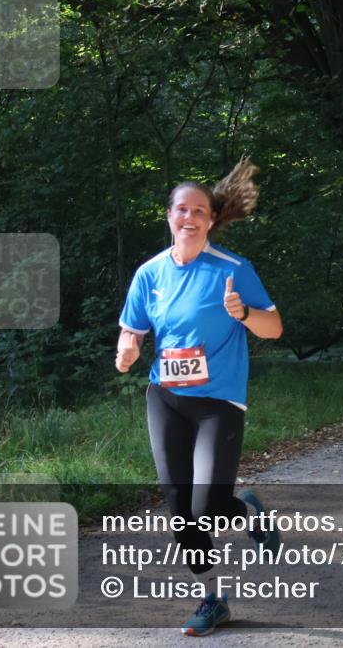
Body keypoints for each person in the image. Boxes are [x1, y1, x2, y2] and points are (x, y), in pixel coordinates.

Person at [115, 158, 284, 637]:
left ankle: (247, 509)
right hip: (166, 396)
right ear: (168, 216)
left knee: (205, 506)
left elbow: (273, 329)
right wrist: (127, 350)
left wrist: (244, 311)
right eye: (180, 210)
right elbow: (133, 328)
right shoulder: (149, 273)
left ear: (211, 219)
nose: (188, 218)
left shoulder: (233, 269)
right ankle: (212, 599)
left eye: (198, 211)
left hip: (218, 401)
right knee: (179, 511)